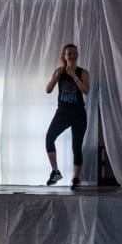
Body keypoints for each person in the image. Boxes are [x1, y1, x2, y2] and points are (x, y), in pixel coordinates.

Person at [43, 43, 90, 187]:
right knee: (49, 138)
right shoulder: (59, 71)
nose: (72, 55)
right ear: (64, 56)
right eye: (69, 53)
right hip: (62, 113)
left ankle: (76, 178)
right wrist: (55, 78)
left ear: (77, 55)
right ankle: (55, 171)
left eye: (74, 53)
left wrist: (73, 75)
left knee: (76, 147)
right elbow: (48, 90)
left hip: (78, 114)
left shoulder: (83, 72)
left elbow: (86, 90)